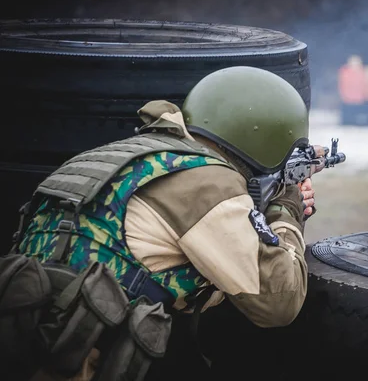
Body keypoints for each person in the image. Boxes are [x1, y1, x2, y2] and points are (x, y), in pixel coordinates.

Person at [0, 66, 316, 380]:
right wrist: (287, 206)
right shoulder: (208, 183)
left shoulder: (125, 157)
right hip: (77, 356)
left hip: (23, 337)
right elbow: (279, 300)